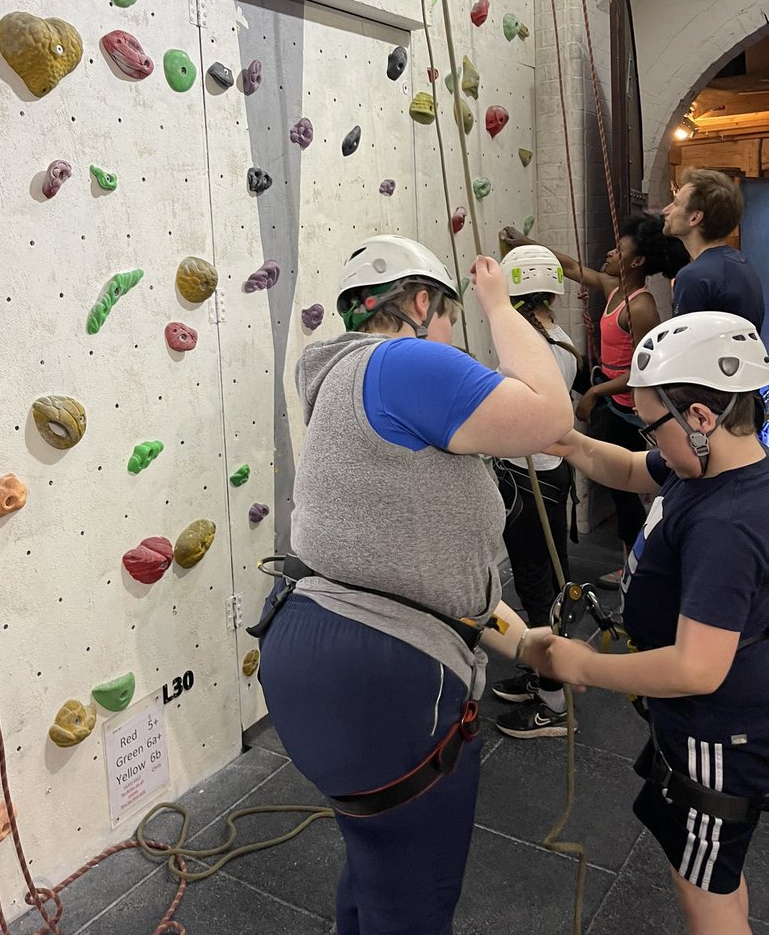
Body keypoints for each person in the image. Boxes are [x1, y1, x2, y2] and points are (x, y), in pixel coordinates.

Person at [256, 235, 574, 935]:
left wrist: (519, 643)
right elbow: (551, 421)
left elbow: (413, 563)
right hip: (384, 675)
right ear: (423, 301)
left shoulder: (340, 378)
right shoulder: (403, 361)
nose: (453, 338)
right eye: (451, 317)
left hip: (315, 642)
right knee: (416, 900)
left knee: (377, 866)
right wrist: (499, 304)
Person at [528, 311, 769, 935]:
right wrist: (575, 445)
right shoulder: (709, 469)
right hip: (703, 725)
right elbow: (634, 471)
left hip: (719, 733)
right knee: (710, 869)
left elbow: (696, 667)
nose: (645, 437)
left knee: (703, 896)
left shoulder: (727, 524)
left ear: (700, 417)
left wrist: (585, 665)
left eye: (649, 422)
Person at [501, 214, 688, 584]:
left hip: (634, 412)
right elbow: (569, 266)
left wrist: (594, 391)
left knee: (629, 492)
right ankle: (630, 565)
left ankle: (639, 571)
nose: (609, 252)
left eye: (619, 250)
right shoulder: (611, 286)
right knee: (620, 491)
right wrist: (527, 244)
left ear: (636, 263)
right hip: (615, 405)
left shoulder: (640, 307)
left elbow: (642, 371)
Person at [490, 246, 583, 738]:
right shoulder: (560, 339)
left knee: (535, 584)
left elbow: (514, 409)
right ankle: (543, 673)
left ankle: (553, 701)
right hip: (548, 474)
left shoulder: (529, 347)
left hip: (531, 479)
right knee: (551, 576)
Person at [662, 168, 765, 331]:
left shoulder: (693, 277)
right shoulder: (741, 264)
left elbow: (685, 349)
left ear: (694, 217)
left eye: (676, 203)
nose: (665, 211)